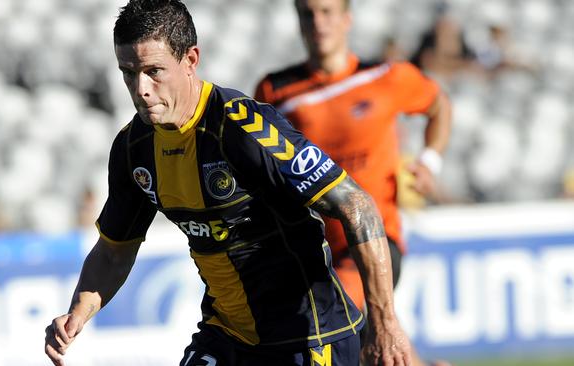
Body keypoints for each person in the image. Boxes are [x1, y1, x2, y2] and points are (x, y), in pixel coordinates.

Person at [44, 0, 412, 365]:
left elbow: (357, 206)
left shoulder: (242, 127)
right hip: (227, 336)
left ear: (190, 60)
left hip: (310, 338)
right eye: (128, 72)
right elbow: (113, 251)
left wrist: (385, 325)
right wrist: (78, 313)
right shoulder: (133, 149)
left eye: (154, 71)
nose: (140, 88)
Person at [254, 0, 452, 364]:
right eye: (308, 14)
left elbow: (439, 105)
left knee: (329, 326)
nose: (318, 23)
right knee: (373, 345)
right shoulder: (275, 91)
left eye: (326, 12)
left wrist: (429, 160)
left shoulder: (386, 77)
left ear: (347, 19)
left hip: (375, 241)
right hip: (314, 250)